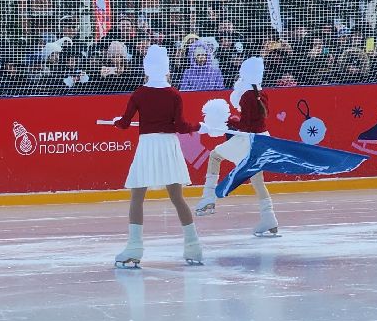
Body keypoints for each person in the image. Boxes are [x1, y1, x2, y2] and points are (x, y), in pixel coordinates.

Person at [111, 45, 202, 267]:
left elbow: (123, 124)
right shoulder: (173, 95)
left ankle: (134, 248)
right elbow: (181, 126)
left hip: (148, 146)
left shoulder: (139, 93)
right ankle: (194, 247)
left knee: (137, 197)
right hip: (169, 146)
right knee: (177, 197)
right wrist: (197, 125)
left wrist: (116, 122)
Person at [195, 56, 279, 236]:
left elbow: (247, 126)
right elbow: (256, 121)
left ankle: (208, 197)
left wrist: (229, 122)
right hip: (262, 140)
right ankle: (269, 217)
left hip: (248, 140)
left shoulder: (246, 96)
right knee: (257, 180)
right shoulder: (261, 93)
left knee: (214, 156)